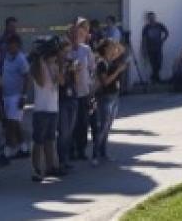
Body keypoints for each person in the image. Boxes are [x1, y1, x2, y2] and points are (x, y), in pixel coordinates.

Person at [29, 38, 65, 183]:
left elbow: (61, 82)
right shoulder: (37, 66)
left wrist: (59, 67)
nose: (55, 57)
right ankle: (36, 169)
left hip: (52, 107)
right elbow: (41, 82)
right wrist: (41, 61)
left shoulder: (54, 66)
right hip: (41, 109)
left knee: (50, 139)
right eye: (53, 54)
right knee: (39, 140)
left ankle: (51, 166)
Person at [62, 19, 96, 164]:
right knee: (71, 124)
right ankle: (70, 150)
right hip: (70, 92)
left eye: (78, 34)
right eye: (73, 35)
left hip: (84, 91)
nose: (75, 37)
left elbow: (92, 68)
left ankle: (81, 149)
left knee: (83, 122)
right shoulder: (65, 51)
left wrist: (91, 89)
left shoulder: (86, 49)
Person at [92, 39, 126, 165]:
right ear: (105, 49)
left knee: (108, 126)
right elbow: (105, 82)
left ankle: (103, 152)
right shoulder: (101, 63)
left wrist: (115, 42)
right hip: (105, 97)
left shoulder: (110, 60)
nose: (114, 49)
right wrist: (118, 71)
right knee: (103, 126)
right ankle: (95, 154)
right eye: (111, 47)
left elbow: (122, 49)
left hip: (114, 96)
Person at [0, 34, 30, 160]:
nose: (10, 48)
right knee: (14, 123)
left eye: (13, 45)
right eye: (9, 45)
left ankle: (6, 152)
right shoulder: (6, 57)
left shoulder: (21, 59)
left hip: (16, 96)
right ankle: (24, 148)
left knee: (11, 124)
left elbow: (27, 78)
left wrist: (23, 96)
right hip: (6, 95)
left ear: (18, 46)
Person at [141, 12, 169, 84]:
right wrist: (143, 49)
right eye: (150, 17)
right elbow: (143, 39)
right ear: (148, 18)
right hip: (149, 48)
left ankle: (154, 76)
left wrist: (162, 40)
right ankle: (156, 78)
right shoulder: (146, 27)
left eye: (152, 17)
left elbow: (166, 32)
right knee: (153, 63)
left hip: (158, 47)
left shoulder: (159, 25)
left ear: (155, 17)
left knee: (159, 63)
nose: (151, 19)